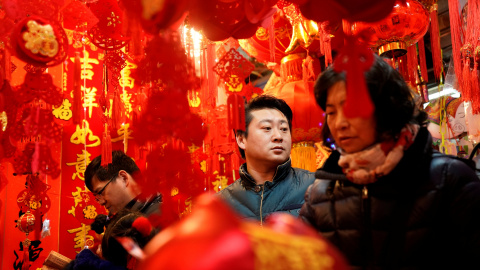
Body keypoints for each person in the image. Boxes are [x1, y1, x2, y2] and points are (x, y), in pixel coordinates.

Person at [299, 54, 480, 269]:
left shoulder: (451, 179)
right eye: (331, 112)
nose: (339, 123)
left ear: (387, 106)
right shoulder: (319, 193)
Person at [218, 95, 315, 223]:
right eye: (267, 128)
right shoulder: (222, 204)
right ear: (241, 139)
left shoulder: (314, 187)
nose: (278, 136)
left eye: (284, 129)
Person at [85, 150, 162, 218]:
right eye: (97, 197)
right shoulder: (126, 217)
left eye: (101, 192)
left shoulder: (158, 215)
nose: (101, 202)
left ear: (123, 178)